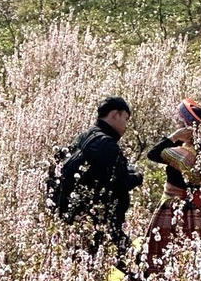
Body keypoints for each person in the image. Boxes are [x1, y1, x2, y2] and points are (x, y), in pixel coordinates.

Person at [49, 96, 143, 259]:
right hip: (98, 220)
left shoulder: (86, 135)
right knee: (129, 261)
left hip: (75, 215)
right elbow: (120, 182)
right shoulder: (107, 145)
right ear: (115, 114)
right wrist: (138, 176)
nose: (126, 125)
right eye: (125, 119)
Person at [143, 99, 201, 277]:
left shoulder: (184, 154)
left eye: (181, 122)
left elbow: (153, 154)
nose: (177, 124)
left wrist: (173, 137)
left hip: (172, 207)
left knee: (161, 254)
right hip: (195, 209)